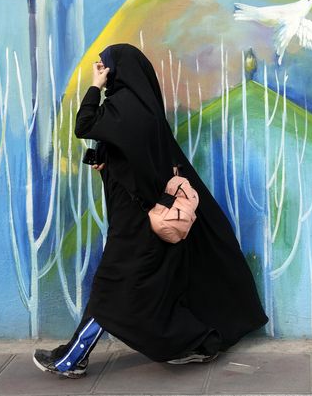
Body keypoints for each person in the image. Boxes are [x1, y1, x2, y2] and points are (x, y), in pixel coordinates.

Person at [33, 43, 268, 378]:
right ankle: (189, 343)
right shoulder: (143, 110)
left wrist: (94, 87)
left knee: (110, 287)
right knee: (133, 291)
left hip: (134, 222)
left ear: (117, 70)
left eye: (105, 66)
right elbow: (136, 160)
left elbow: (84, 125)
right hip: (142, 218)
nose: (102, 70)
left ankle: (73, 357)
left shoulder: (122, 108)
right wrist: (105, 161)